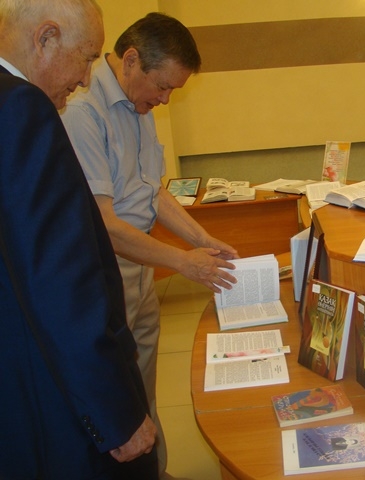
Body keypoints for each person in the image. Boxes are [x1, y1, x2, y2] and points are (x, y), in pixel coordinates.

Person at [61, 12, 239, 477]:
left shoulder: (137, 107)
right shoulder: (83, 111)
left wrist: (203, 240)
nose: (164, 100)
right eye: (162, 87)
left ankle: (153, 471)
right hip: (107, 271)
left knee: (143, 383)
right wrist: (183, 261)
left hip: (141, 266)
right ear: (131, 61)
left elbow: (152, 193)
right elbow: (105, 224)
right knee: (115, 396)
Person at [0, 0, 158, 478]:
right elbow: (58, 283)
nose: (87, 78)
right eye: (86, 57)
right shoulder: (20, 107)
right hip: (46, 388)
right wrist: (117, 415)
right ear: (45, 38)